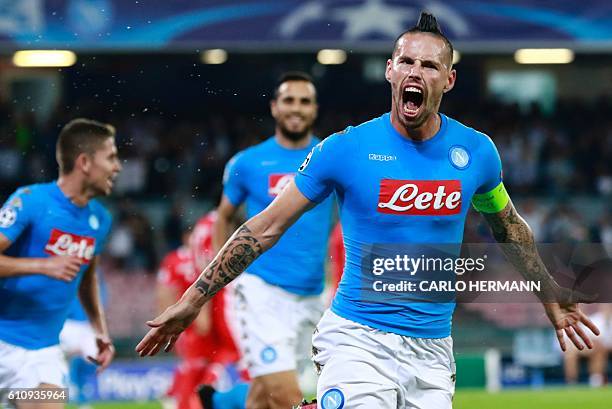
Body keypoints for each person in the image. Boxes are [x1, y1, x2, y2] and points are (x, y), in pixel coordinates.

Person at [137, 13, 599, 409]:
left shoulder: (477, 153)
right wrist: (193, 299)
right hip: (357, 336)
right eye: (407, 62)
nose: (416, 71)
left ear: (449, 79)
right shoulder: (344, 149)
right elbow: (265, 226)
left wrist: (547, 290)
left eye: (430, 65)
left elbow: (507, 227)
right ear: (391, 71)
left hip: (433, 348)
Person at [198, 71, 334, 409]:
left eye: (305, 101)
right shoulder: (248, 163)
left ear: (315, 109)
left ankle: (217, 404)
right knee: (290, 396)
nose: (296, 108)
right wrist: (228, 279)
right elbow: (223, 218)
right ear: (274, 107)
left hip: (313, 295)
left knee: (264, 394)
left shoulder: (330, 159)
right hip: (261, 292)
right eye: (289, 100)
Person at [0, 118, 121, 409]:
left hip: (41, 356)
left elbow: (87, 275)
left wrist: (99, 330)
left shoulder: (100, 219)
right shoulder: (30, 201)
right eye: (111, 157)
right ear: (84, 162)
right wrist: (43, 266)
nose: (117, 168)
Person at [157, 217, 241, 409]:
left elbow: (164, 292)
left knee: (206, 364)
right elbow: (166, 293)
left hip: (196, 318)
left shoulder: (178, 259)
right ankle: (182, 399)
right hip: (194, 320)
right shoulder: (179, 259)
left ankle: (180, 396)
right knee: (203, 364)